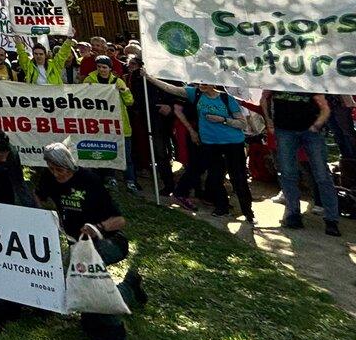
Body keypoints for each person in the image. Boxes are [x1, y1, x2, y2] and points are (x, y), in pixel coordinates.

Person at [35, 143, 146, 340]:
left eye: (61, 170)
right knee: (73, 288)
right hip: (77, 245)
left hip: (109, 242)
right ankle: (128, 287)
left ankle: (115, 326)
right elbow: (38, 198)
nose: (57, 174)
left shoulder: (89, 180)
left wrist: (98, 228)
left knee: (90, 286)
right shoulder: (49, 178)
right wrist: (38, 215)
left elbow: (120, 220)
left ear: (70, 166)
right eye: (52, 169)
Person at [149, 76, 254, 222]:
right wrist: (149, 77)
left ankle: (248, 212)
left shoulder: (227, 99)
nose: (202, 84)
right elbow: (170, 88)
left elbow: (242, 124)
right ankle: (221, 207)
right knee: (215, 177)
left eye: (206, 81)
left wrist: (223, 120)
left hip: (233, 143)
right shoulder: (195, 93)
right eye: (200, 81)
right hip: (210, 143)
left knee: (239, 178)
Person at [263, 89, 341, 237]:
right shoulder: (275, 80)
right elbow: (264, 98)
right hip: (284, 130)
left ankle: (331, 219)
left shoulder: (308, 80)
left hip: (310, 132)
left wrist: (316, 126)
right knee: (287, 173)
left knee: (322, 175)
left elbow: (325, 107)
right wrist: (269, 122)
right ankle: (293, 214)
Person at [85, 58, 138, 193]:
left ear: (110, 69)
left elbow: (130, 102)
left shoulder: (118, 81)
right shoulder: (89, 81)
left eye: (104, 67)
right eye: (99, 67)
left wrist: (124, 91)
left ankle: (130, 181)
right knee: (108, 153)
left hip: (121, 125)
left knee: (126, 155)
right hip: (101, 126)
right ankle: (110, 178)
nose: (102, 70)